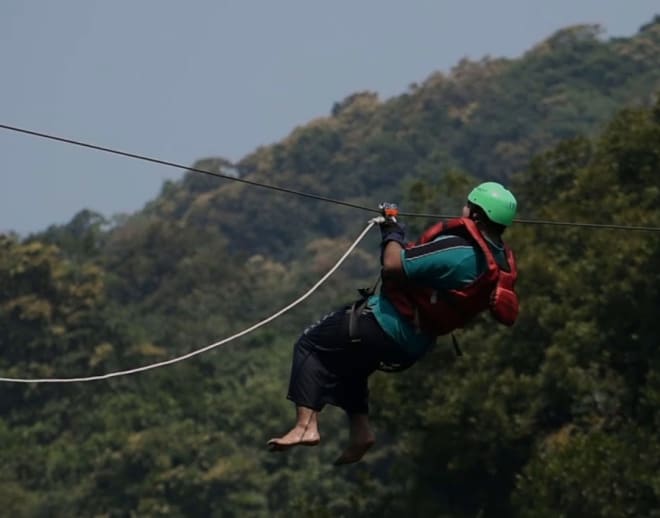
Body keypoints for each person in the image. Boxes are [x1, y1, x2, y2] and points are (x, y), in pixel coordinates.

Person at [267, 181, 519, 465]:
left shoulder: (460, 250)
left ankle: (305, 426)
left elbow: (394, 264)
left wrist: (391, 229)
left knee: (310, 343)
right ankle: (361, 432)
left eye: (468, 205)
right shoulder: (500, 262)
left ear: (475, 214)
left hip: (386, 323)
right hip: (414, 344)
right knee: (353, 364)